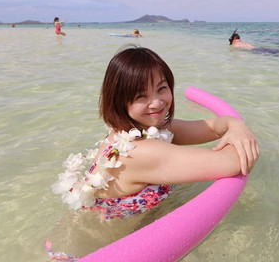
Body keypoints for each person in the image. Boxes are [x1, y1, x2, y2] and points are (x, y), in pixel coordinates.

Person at [46, 46, 259, 260]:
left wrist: (235, 125)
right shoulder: (139, 151)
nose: (156, 103)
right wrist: (242, 133)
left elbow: (213, 127)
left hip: (94, 239)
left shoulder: (145, 131)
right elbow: (233, 161)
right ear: (119, 101)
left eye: (162, 88)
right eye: (141, 96)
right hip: (88, 253)